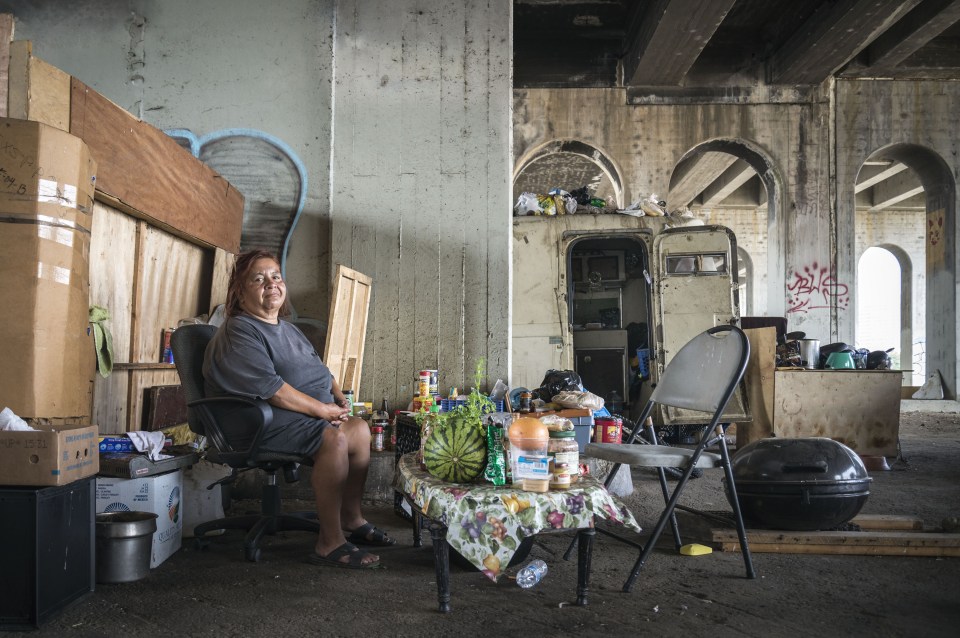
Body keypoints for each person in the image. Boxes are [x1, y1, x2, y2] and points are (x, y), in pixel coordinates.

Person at [203, 249, 393, 569]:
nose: (271, 284)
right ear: (240, 290)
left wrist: (338, 398)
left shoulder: (288, 329)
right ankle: (329, 541)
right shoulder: (241, 330)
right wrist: (321, 410)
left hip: (296, 415)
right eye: (259, 279)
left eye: (276, 276)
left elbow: (321, 370)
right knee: (333, 439)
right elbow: (273, 390)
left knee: (359, 430)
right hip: (256, 421)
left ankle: (352, 518)